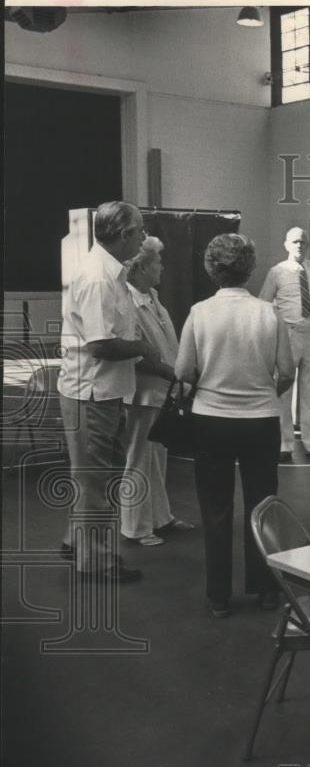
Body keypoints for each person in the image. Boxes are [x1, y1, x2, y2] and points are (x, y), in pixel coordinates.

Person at [175, 234, 295, 619]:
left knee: (215, 509)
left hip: (211, 420)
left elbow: (182, 373)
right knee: (262, 506)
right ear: (251, 268)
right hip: (260, 420)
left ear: (212, 269)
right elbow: (288, 371)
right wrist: (264, 391)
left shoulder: (199, 311)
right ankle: (264, 590)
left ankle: (218, 596)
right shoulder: (269, 313)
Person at [57, 200, 160, 583]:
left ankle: (74, 541)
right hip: (92, 392)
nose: (144, 237)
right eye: (141, 230)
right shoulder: (100, 278)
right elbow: (101, 344)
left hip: (97, 390)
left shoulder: (108, 270)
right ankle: (97, 562)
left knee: (90, 476)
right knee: (97, 480)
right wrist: (143, 348)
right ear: (124, 234)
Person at [120, 235, 196, 546]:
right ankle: (136, 527)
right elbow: (135, 353)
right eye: (157, 263)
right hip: (141, 393)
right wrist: (170, 372)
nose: (162, 267)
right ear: (139, 268)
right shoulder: (127, 302)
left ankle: (161, 517)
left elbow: (166, 345)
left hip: (162, 391)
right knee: (139, 458)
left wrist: (179, 375)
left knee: (158, 456)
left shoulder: (151, 296)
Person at [258, 226, 310, 462]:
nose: (300, 246)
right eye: (295, 242)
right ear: (286, 245)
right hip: (288, 333)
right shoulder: (276, 272)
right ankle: (284, 444)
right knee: (285, 388)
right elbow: (264, 304)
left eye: (303, 242)